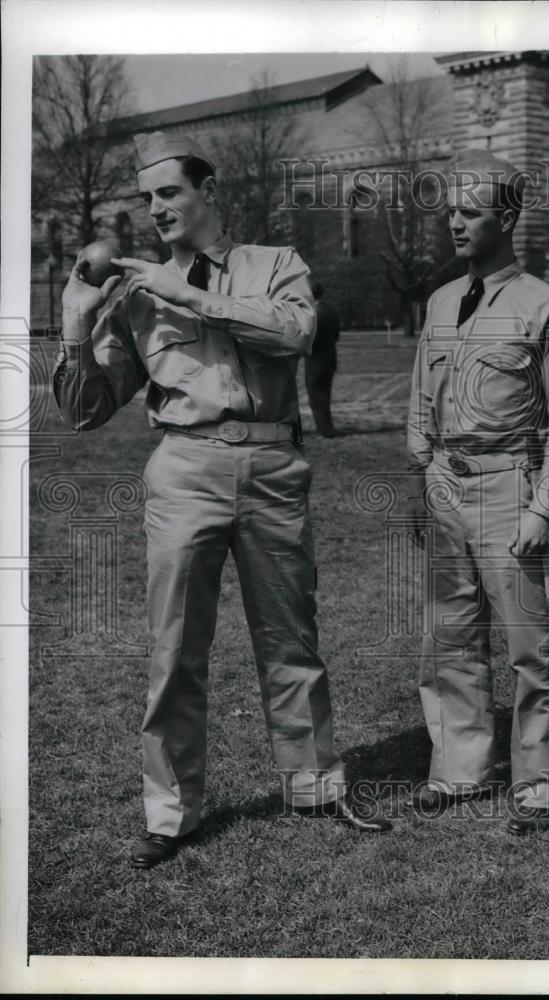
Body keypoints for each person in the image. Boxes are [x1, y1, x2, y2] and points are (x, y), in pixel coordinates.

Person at [53, 131, 391, 869]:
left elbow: (295, 332)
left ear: (211, 193)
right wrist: (77, 319)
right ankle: (169, 812)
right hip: (184, 465)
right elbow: (84, 410)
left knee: (291, 638)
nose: (155, 209)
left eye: (169, 192)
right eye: (146, 199)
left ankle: (312, 787)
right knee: (176, 649)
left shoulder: (274, 265)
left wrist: (189, 293)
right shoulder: (136, 292)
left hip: (271, 461)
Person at [406, 149, 549, 834]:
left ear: (505, 218)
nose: (454, 222)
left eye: (469, 212)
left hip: (513, 482)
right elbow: (423, 393)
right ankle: (459, 768)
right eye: (450, 210)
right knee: (446, 636)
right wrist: (420, 471)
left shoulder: (546, 306)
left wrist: (545, 505)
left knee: (530, 644)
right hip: (447, 479)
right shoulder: (442, 299)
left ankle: (539, 782)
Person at [305, 281, 340, 437]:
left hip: (315, 361)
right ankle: (327, 427)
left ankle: (324, 429)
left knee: (316, 396)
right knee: (325, 395)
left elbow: (311, 339)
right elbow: (336, 336)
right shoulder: (331, 311)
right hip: (330, 358)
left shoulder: (313, 314)